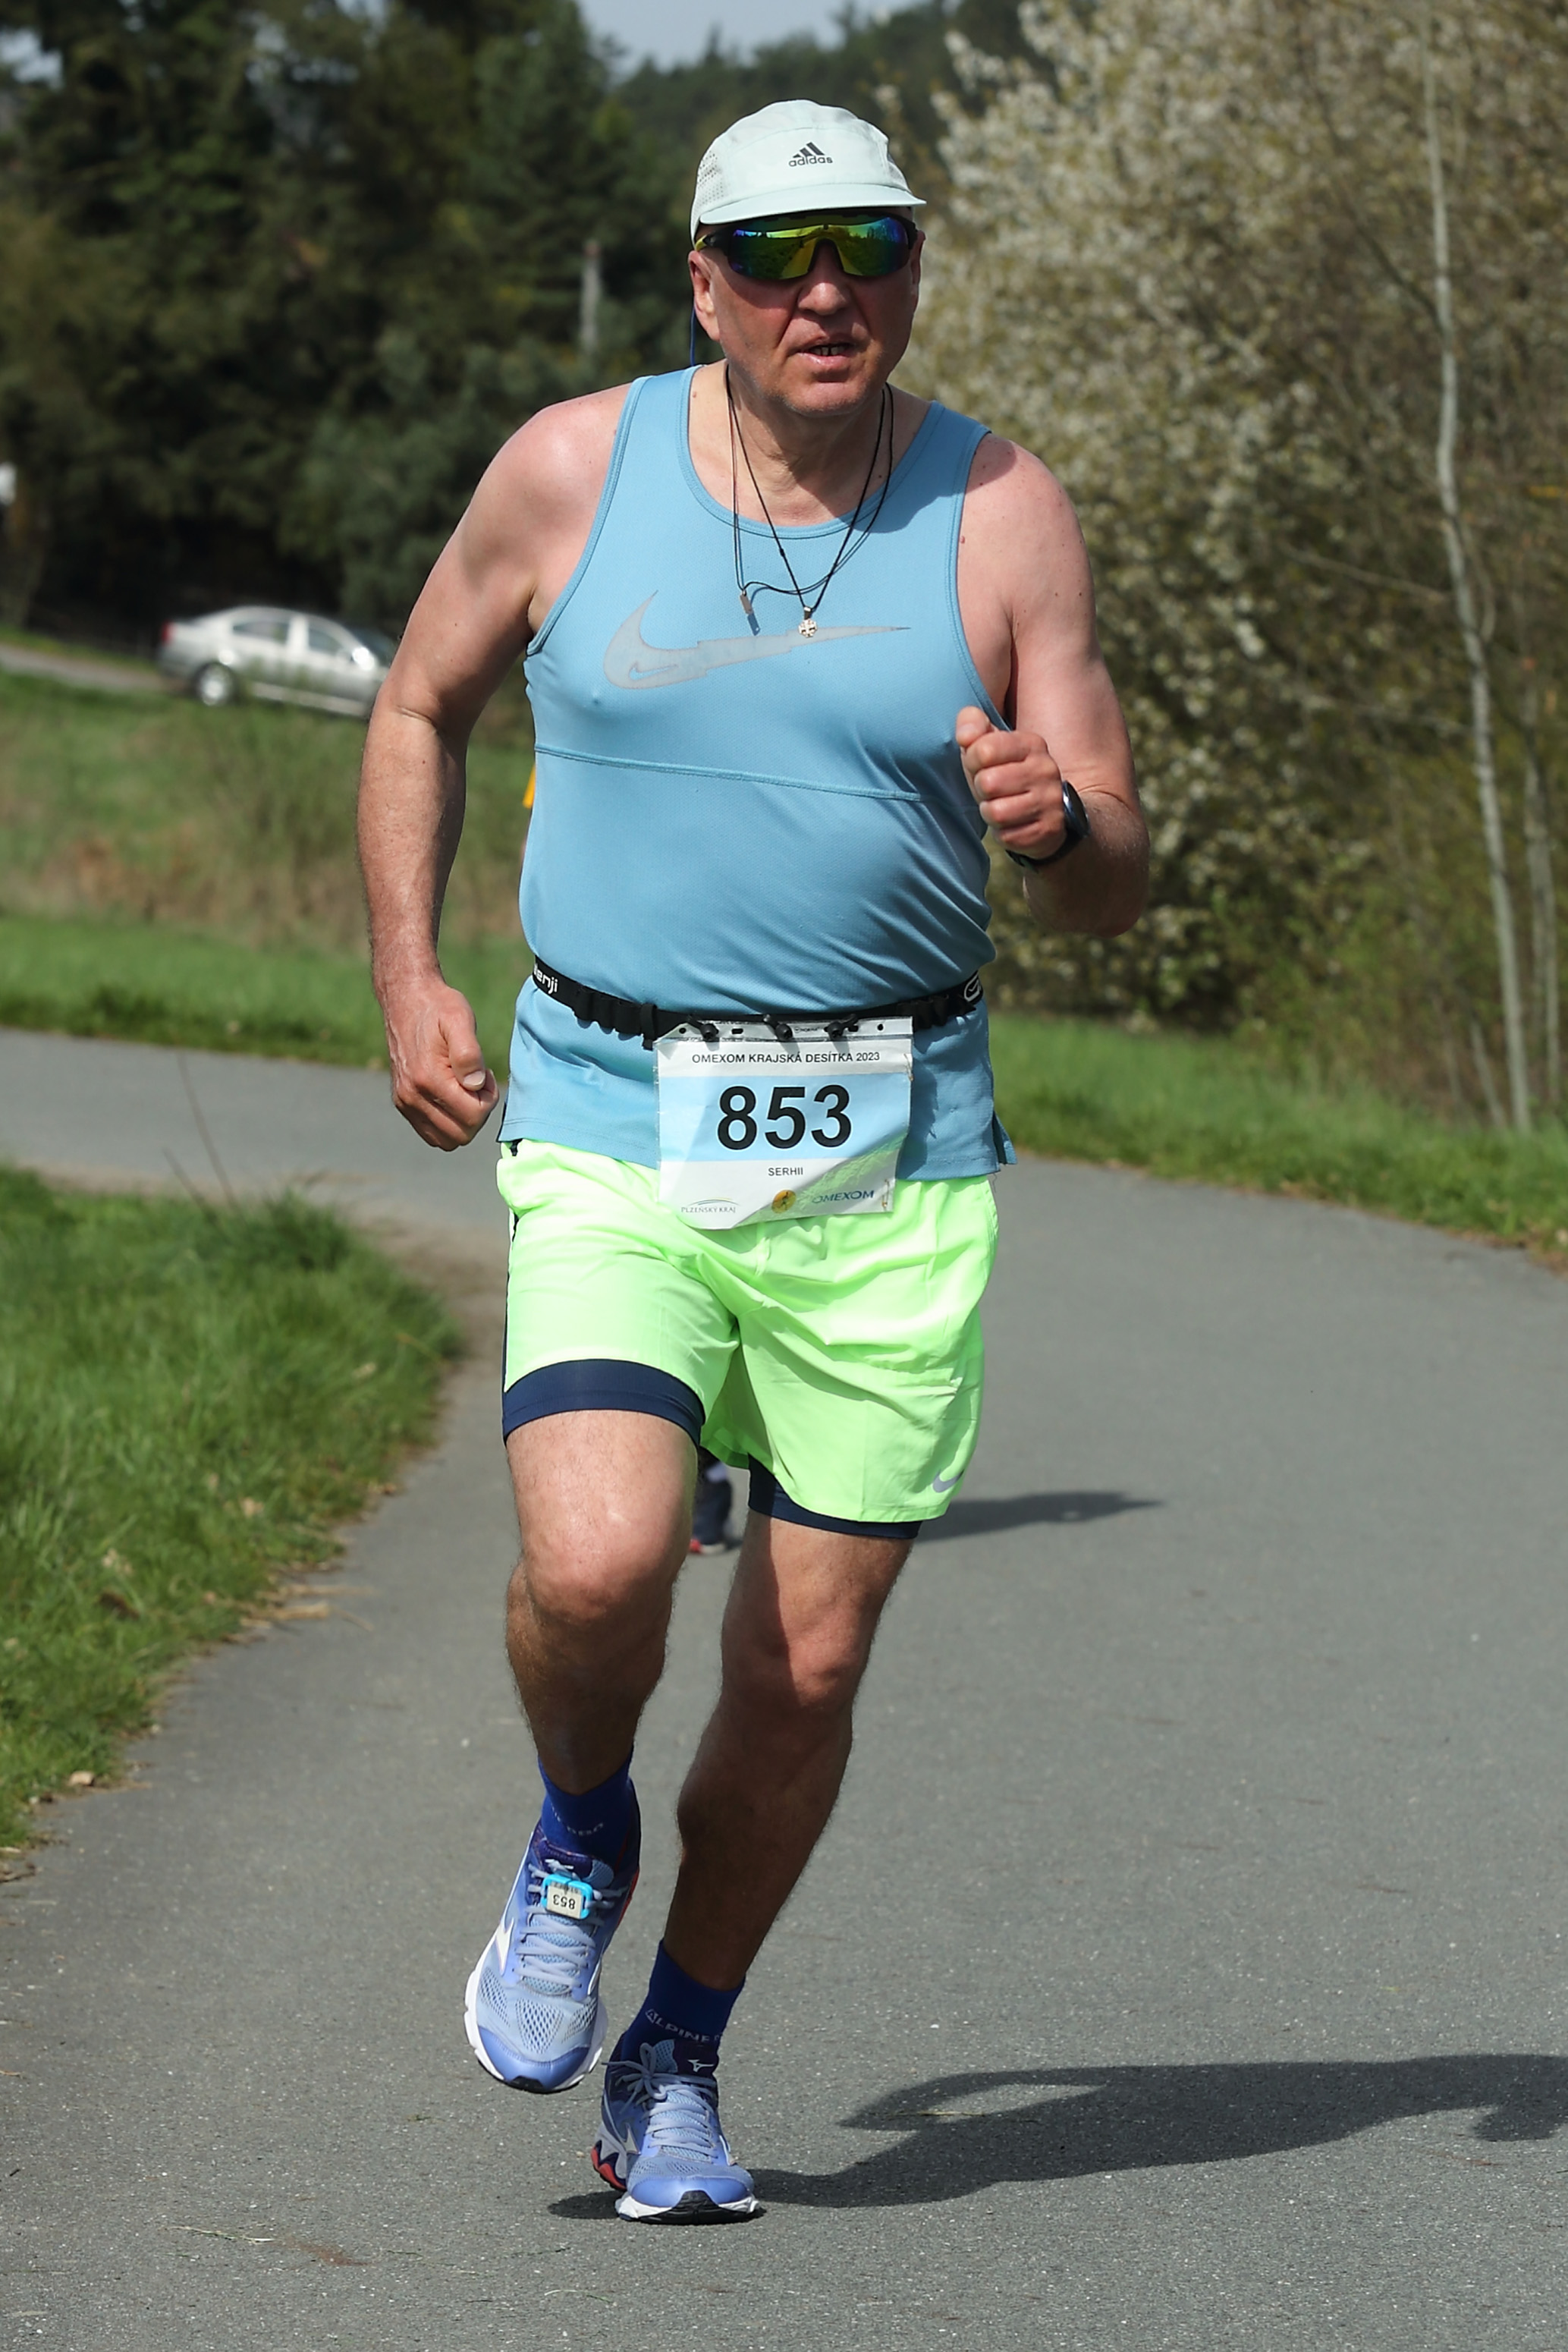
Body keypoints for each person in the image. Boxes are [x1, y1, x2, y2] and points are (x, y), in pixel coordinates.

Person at [357, 98, 1147, 2225]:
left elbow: (1112, 875)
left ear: (912, 269)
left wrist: (1060, 830)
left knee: (803, 1666)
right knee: (600, 1564)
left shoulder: (1001, 508)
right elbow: (417, 707)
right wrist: (412, 975)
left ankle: (678, 2053)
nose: (828, 291)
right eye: (781, 255)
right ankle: (578, 1826)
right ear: (702, 281)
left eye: (869, 247)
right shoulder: (569, 470)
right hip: (614, 1110)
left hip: (889, 1153)